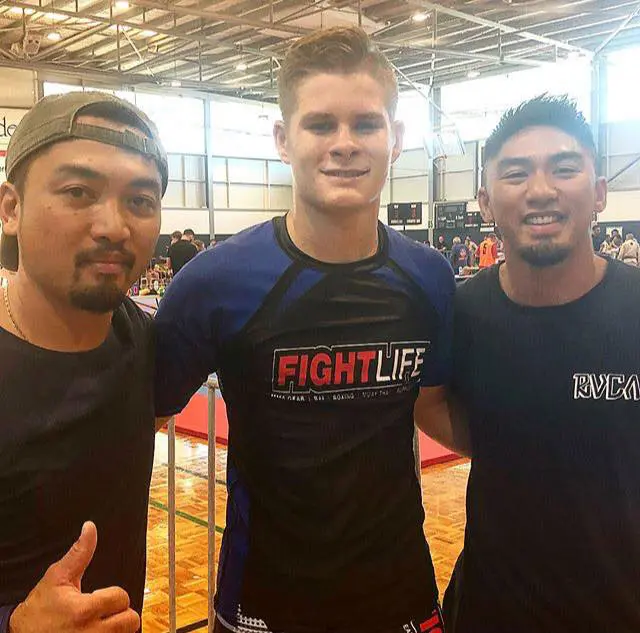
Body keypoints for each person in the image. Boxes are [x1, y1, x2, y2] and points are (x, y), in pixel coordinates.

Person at [154, 26, 458, 633]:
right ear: (283, 139)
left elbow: (435, 409)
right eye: (320, 124)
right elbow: (138, 420)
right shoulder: (215, 282)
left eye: (366, 124)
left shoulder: (429, 278)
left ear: (394, 140)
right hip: (264, 603)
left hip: (398, 597)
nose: (344, 144)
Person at [444, 94, 640, 632]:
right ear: (485, 202)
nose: (541, 190)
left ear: (599, 193)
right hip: (489, 610)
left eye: (564, 168)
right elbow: (431, 404)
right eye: (516, 173)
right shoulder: (460, 314)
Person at [0, 92, 167, 633]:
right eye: (78, 192)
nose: (114, 226)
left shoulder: (142, 340)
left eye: (140, 201)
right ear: (10, 208)